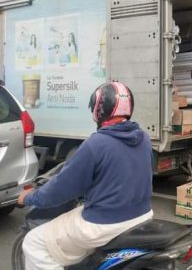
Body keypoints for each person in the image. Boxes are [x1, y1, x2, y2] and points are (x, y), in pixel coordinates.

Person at [18, 82, 153, 270]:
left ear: (99, 110)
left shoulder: (96, 143)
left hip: (104, 224)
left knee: (34, 242)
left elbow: (61, 189)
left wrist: (30, 197)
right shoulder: (144, 138)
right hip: (143, 216)